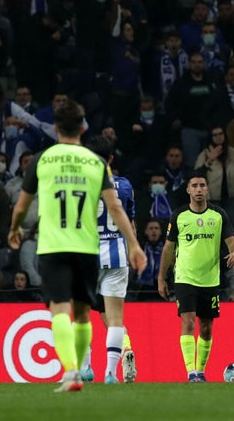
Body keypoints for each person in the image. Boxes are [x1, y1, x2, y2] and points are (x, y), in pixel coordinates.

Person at [7, 99, 146, 392]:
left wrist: (16, 228)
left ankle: (73, 371)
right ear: (83, 127)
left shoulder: (42, 159)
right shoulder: (95, 164)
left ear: (55, 127)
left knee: (60, 310)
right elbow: (117, 209)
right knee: (86, 313)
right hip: (88, 248)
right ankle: (106, 372)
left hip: (53, 246)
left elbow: (21, 205)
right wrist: (134, 244)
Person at [157, 170, 234, 382]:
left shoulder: (219, 215)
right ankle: (191, 372)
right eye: (194, 186)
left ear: (207, 188)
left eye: (202, 185)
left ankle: (201, 371)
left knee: (206, 328)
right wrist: (161, 277)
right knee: (188, 323)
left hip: (210, 279)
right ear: (188, 190)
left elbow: (232, 243)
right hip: (185, 278)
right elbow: (168, 248)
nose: (199, 189)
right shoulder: (178, 216)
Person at [79, 135, 138, 384]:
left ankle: (85, 367)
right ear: (111, 158)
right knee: (115, 319)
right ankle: (111, 373)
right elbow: (131, 224)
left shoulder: (79, 184)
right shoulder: (124, 186)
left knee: (81, 314)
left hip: (86, 256)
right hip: (117, 255)